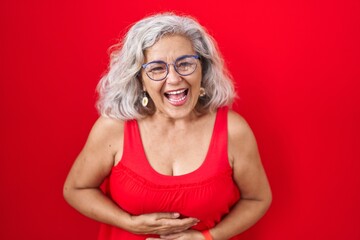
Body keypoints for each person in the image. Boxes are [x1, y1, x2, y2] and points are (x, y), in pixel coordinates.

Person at [63, 12, 272, 240]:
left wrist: (207, 237)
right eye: (156, 68)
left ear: (203, 70)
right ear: (139, 79)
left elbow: (257, 198)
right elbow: (76, 190)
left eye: (185, 64)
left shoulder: (233, 131)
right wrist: (129, 223)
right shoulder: (113, 128)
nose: (173, 79)